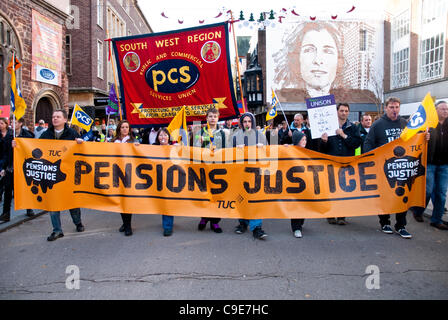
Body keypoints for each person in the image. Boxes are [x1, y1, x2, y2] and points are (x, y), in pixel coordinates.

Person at [364, 97, 411, 239]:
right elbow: (368, 143)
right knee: (385, 196)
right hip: (384, 168)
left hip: (401, 167)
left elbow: (413, 140)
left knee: (401, 195)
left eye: (397, 107)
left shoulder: (404, 124)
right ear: (386, 108)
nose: (394, 110)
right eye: (391, 107)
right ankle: (385, 222)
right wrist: (372, 159)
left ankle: (401, 225)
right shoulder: (378, 125)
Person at [37, 109, 85, 240]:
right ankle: (57, 230)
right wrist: (17, 145)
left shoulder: (72, 133)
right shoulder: (46, 134)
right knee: (53, 203)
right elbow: (33, 147)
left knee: (72, 202)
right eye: (53, 117)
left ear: (65, 120)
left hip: (68, 174)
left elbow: (81, 152)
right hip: (52, 174)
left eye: (58, 117)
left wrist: (81, 143)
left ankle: (78, 222)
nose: (54, 119)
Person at [273, 22, 344, 99]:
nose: (318, 60)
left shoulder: (347, 99)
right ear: (297, 58)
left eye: (327, 51)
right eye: (309, 50)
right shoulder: (283, 97)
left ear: (339, 60)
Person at [319, 103, 361, 225]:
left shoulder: (353, 128)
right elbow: (322, 148)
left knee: (344, 190)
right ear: (337, 111)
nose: (344, 113)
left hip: (346, 164)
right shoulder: (328, 126)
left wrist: (343, 135)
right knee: (332, 189)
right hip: (332, 163)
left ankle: (341, 215)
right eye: (342, 110)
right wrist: (324, 141)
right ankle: (331, 214)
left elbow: (356, 143)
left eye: (346, 111)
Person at [412, 101, 448, 230]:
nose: (445, 111)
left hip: (444, 164)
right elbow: (415, 138)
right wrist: (423, 137)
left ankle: (436, 219)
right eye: (443, 109)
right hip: (430, 162)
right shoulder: (428, 124)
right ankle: (418, 211)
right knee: (427, 190)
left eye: (447, 109)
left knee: (441, 193)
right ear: (436, 110)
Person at [232, 112, 268, 240]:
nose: (247, 124)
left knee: (255, 200)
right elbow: (230, 156)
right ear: (241, 123)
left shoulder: (261, 136)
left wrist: (263, 148)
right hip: (241, 172)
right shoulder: (236, 136)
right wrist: (237, 150)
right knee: (242, 198)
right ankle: (243, 223)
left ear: (253, 122)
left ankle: (256, 227)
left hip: (256, 172)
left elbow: (269, 154)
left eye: (249, 121)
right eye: (244, 121)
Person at [195, 108, 226, 233]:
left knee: (216, 194)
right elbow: (195, 148)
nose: (213, 118)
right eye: (210, 116)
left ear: (218, 118)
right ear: (206, 118)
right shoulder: (201, 132)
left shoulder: (223, 133)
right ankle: (204, 218)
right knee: (204, 193)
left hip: (218, 167)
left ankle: (215, 222)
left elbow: (226, 148)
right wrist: (200, 143)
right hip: (204, 166)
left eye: (215, 116)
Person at [0, 118, 35, 224]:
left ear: (20, 123)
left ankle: (29, 208)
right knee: (7, 190)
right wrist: (3, 168)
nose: (12, 124)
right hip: (11, 167)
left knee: (24, 189)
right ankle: (6, 214)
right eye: (11, 122)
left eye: (15, 122)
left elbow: (31, 150)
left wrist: (19, 145)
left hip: (23, 168)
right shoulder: (9, 136)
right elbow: (5, 153)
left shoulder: (27, 135)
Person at [112, 120, 140, 236]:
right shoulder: (114, 141)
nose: (124, 129)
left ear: (129, 129)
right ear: (119, 129)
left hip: (129, 174)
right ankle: (125, 222)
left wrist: (138, 147)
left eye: (126, 127)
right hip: (116, 173)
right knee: (120, 200)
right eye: (122, 127)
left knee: (128, 200)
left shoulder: (134, 141)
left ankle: (128, 226)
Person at [153, 128, 177, 236]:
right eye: (161, 135)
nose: (163, 137)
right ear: (157, 137)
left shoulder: (174, 147)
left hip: (172, 179)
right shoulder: (152, 148)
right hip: (157, 179)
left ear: (169, 137)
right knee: (163, 202)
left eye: (165, 135)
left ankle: (168, 225)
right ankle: (167, 224)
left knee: (169, 202)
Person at [289, 130, 309, 238]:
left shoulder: (308, 152)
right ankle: (296, 228)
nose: (305, 142)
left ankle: (300, 223)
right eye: (302, 140)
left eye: (305, 139)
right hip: (294, 184)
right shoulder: (290, 150)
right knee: (296, 205)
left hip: (305, 182)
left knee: (304, 204)